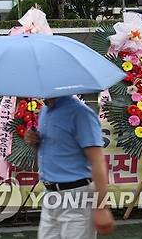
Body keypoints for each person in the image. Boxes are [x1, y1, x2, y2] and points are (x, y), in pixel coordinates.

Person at [24, 95, 114, 238]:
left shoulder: (80, 113)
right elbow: (49, 153)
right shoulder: (45, 111)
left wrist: (101, 207)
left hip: (77, 197)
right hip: (50, 196)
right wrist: (35, 143)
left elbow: (98, 161)